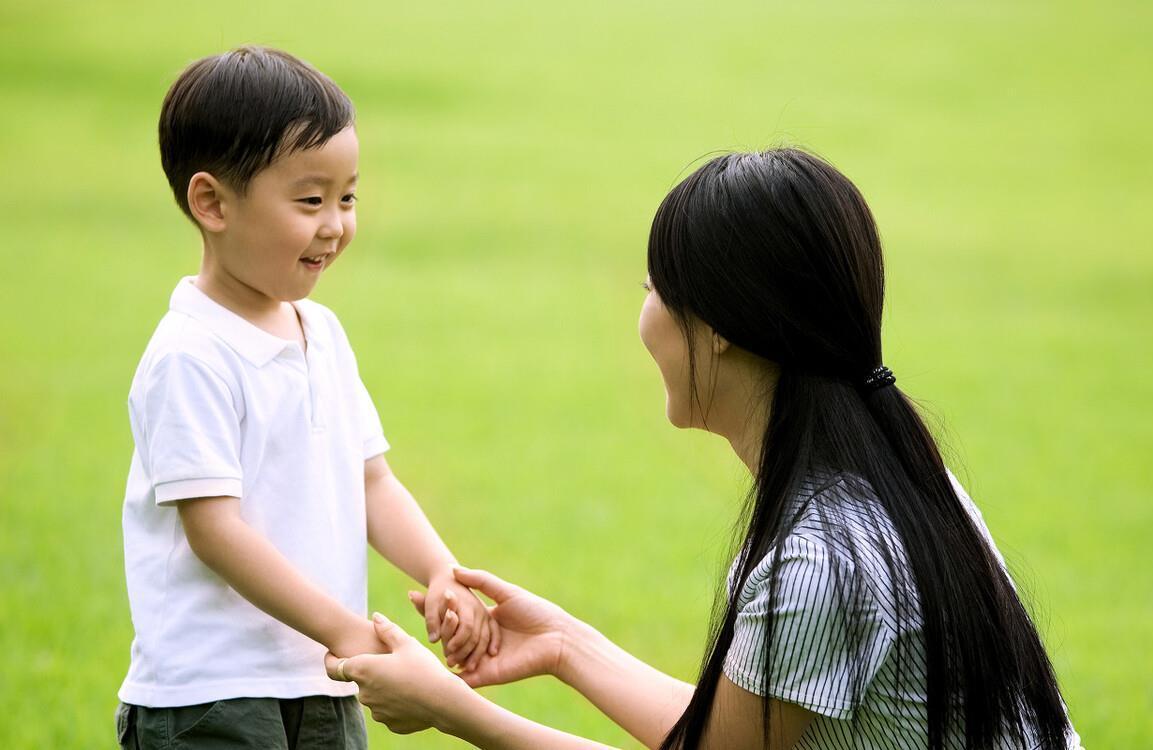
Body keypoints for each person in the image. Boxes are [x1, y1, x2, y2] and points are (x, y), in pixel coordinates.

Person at [326, 149, 1085, 749]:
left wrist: (459, 713)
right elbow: (728, 738)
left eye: (653, 288)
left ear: (720, 326)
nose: (643, 316)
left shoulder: (821, 560)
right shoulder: (895, 478)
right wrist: (562, 644)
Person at [115, 46, 496, 749]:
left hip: (322, 682)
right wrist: (348, 630)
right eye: (310, 200)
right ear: (212, 202)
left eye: (347, 197)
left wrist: (440, 569)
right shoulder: (190, 355)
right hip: (213, 694)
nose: (335, 225)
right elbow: (215, 533)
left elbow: (371, 480)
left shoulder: (320, 331)